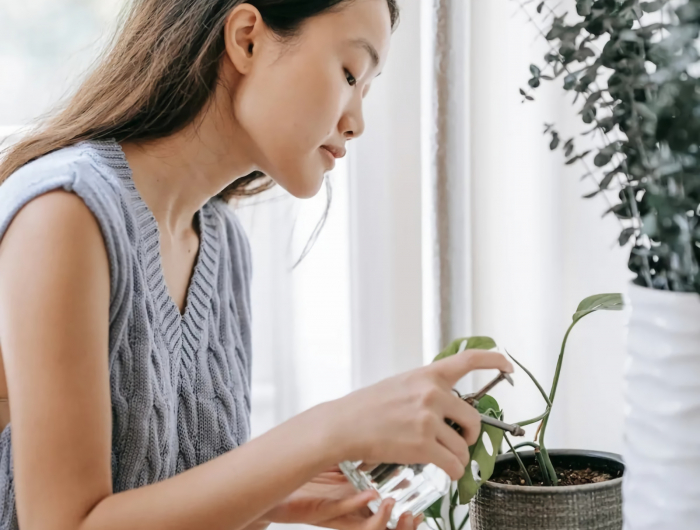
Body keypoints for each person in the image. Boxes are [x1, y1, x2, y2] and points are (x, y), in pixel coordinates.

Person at [0, 1, 513, 529]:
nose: (356, 121)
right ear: (247, 39)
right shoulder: (66, 213)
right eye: (349, 73)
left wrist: (285, 497)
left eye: (366, 89)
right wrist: (326, 431)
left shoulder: (222, 247)